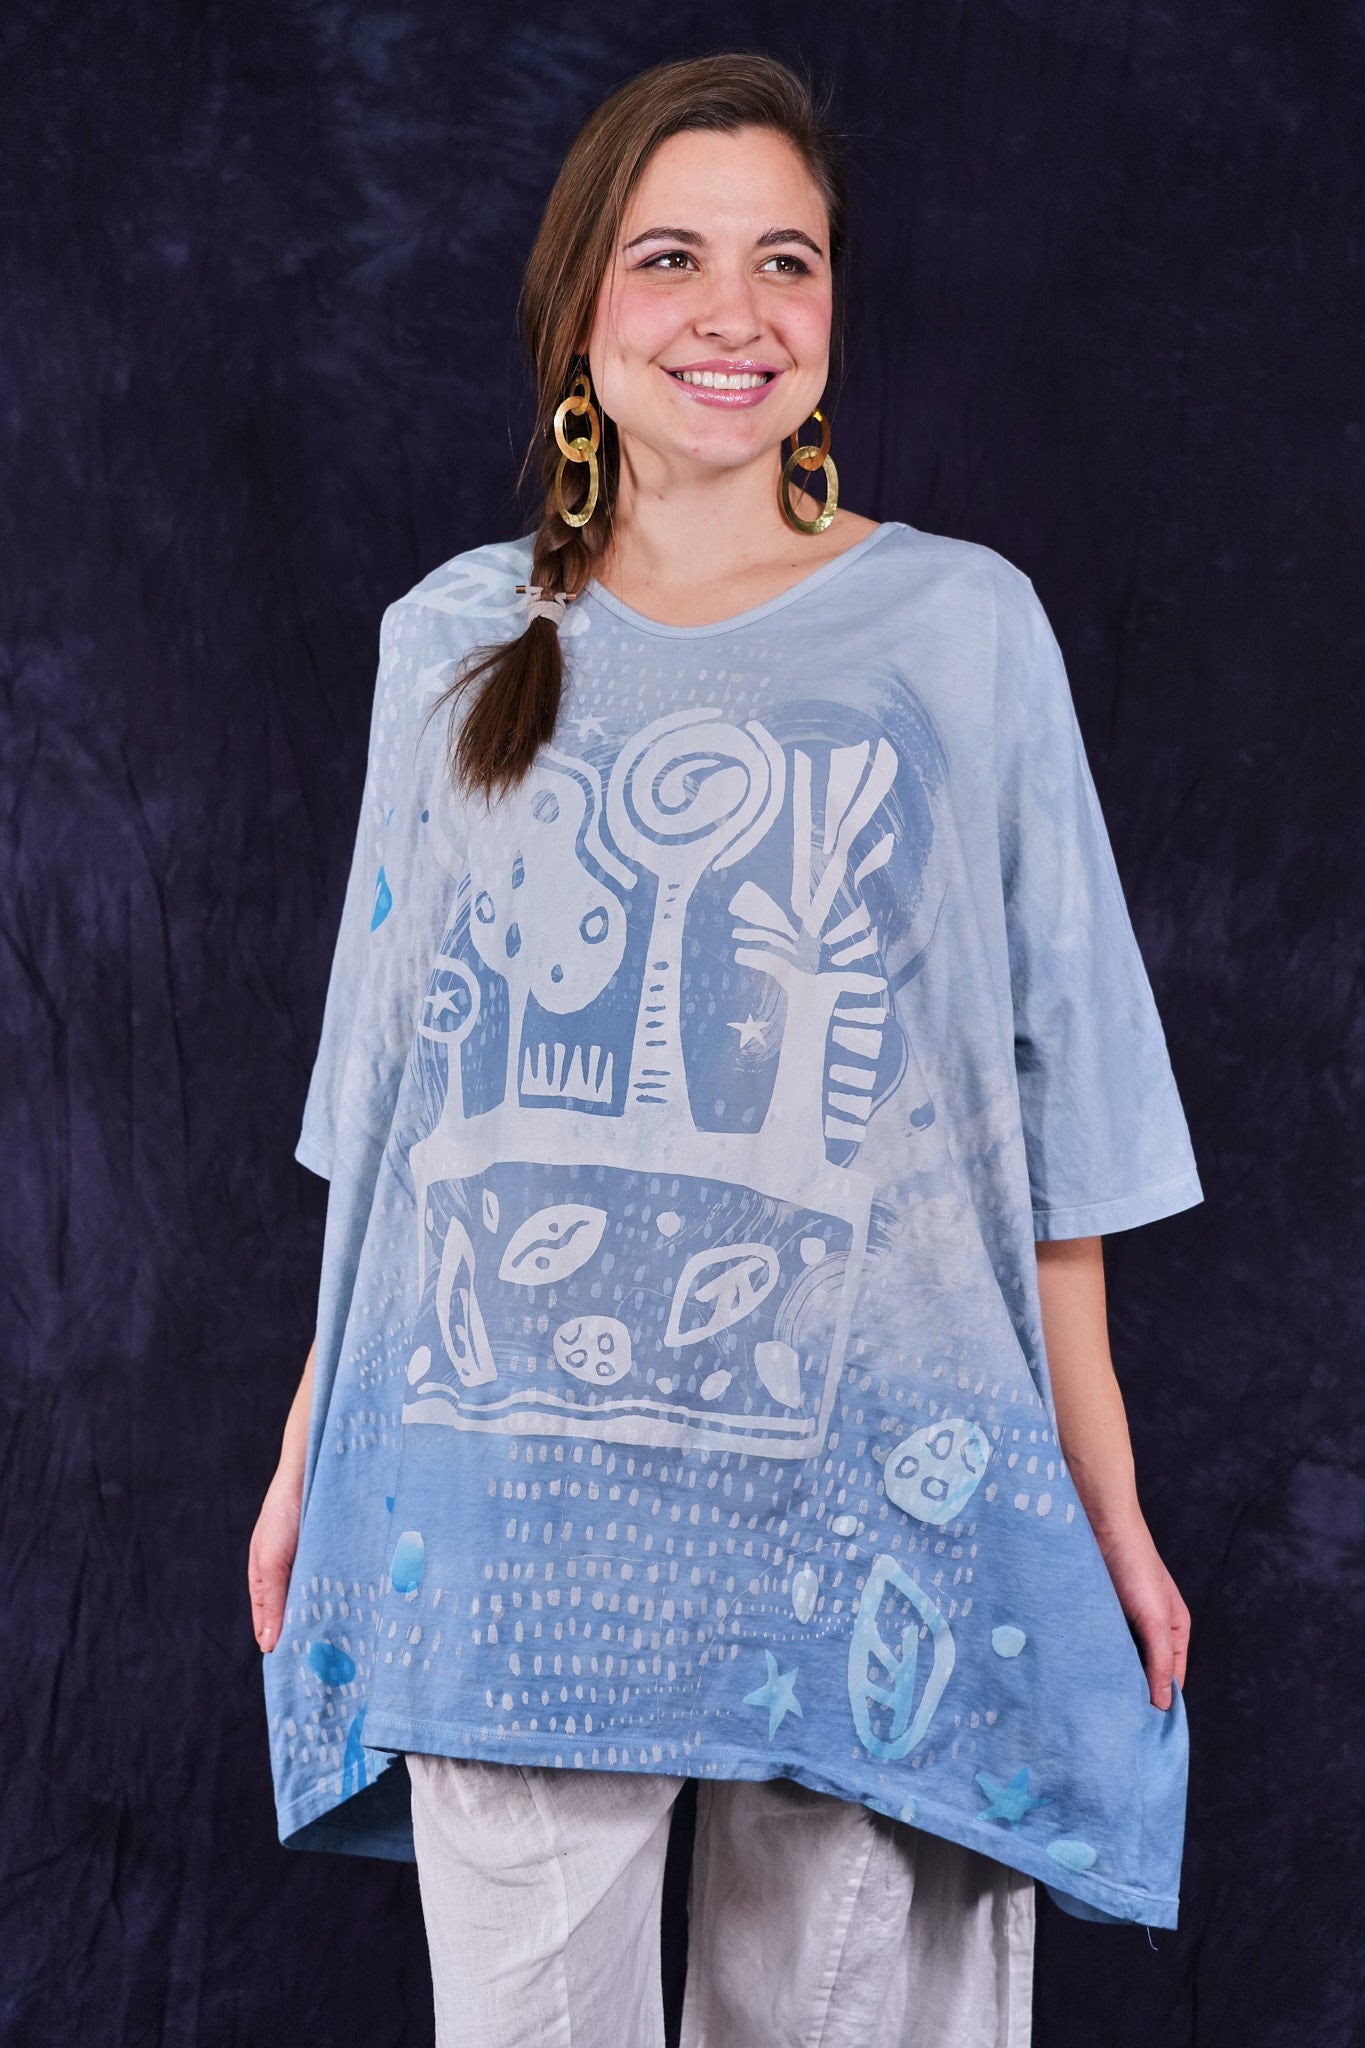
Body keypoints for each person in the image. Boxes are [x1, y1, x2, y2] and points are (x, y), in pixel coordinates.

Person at [248, 50, 1202, 2048]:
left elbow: (1051, 1112)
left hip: (871, 1493)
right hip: (504, 1497)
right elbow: (396, 1103)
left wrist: (1102, 1497)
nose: (734, 311)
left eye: (787, 260)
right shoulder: (450, 644)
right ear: (579, 307)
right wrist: (309, 1448)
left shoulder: (961, 631)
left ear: (831, 308)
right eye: (670, 256)